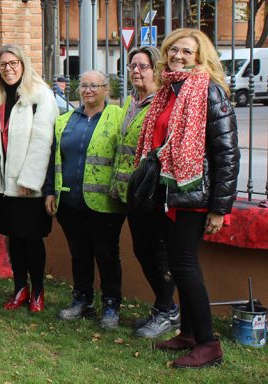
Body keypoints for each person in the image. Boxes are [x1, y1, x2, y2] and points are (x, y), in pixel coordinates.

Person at [136, 29, 238, 369]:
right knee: (180, 267)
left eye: (186, 51)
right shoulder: (169, 92)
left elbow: (227, 154)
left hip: (195, 195)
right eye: (173, 49)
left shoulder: (209, 91)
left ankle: (209, 345)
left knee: (184, 265)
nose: (178, 55)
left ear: (200, 56)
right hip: (171, 194)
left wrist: (220, 208)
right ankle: (191, 334)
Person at [44, 70, 125, 329]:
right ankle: (82, 299)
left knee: (106, 253)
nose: (88, 90)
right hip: (70, 201)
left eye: (94, 86)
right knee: (79, 253)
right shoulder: (65, 120)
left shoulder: (118, 117)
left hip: (105, 203)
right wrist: (50, 191)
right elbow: (54, 158)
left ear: (106, 89)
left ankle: (111, 305)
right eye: (83, 86)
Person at [0, 45, 59, 313]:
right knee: (14, 239)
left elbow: (43, 139)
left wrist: (31, 179)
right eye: (3, 64)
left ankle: (37, 291)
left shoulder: (40, 94)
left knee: (32, 239)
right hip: (4, 183)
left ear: (23, 65)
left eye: (14, 63)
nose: (9, 69)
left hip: (29, 184)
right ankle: (19, 288)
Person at [110, 46, 180, 338]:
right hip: (131, 193)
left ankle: (167, 311)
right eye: (132, 66)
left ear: (157, 69)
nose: (136, 71)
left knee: (157, 252)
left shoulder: (162, 105)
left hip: (152, 193)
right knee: (141, 250)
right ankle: (164, 307)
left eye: (143, 66)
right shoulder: (131, 103)